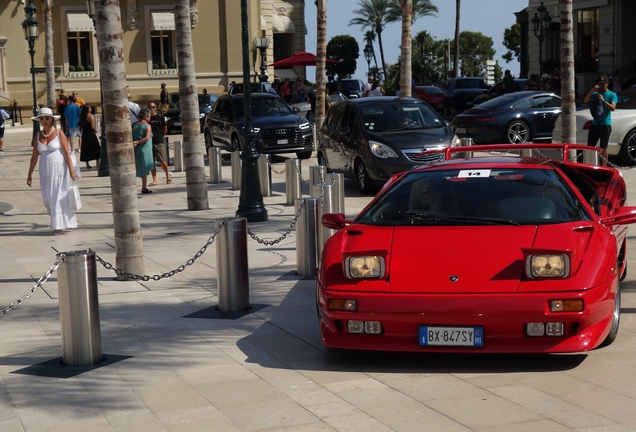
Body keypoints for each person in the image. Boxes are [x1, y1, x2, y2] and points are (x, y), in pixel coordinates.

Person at [26, 107, 78, 234]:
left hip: (60, 168)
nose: (44, 120)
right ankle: (58, 222)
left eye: (47, 118)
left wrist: (71, 170)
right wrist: (29, 174)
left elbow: (66, 152)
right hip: (45, 170)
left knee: (58, 196)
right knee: (48, 197)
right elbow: (34, 156)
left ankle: (57, 226)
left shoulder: (59, 132)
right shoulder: (37, 135)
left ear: (51, 119)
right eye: (41, 118)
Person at [583, 75, 617, 166]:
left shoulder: (612, 94)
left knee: (604, 146)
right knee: (590, 146)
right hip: (595, 124)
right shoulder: (595, 94)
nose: (601, 86)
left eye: (603, 84)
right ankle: (590, 164)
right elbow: (585, 101)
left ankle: (604, 166)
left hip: (605, 124)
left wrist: (604, 101)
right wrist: (592, 90)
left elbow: (613, 107)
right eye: (600, 84)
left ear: (607, 84)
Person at [147, 102, 171, 185]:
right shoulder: (147, 118)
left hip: (158, 141)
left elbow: (165, 129)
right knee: (151, 162)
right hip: (149, 142)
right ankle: (154, 180)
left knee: (162, 160)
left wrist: (161, 136)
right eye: (149, 107)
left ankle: (167, 175)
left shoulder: (160, 117)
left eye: (153, 107)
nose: (151, 109)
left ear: (155, 108)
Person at [132, 108, 154, 194]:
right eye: (149, 117)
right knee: (144, 168)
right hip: (145, 149)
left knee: (138, 166)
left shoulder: (134, 125)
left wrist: (135, 142)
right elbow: (147, 138)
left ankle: (136, 186)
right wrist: (138, 142)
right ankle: (144, 187)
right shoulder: (147, 126)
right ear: (146, 116)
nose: (149, 118)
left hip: (136, 148)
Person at [78, 104, 100, 169]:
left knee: (85, 148)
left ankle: (87, 164)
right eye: (90, 108)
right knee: (96, 146)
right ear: (88, 109)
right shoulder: (90, 116)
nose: (91, 109)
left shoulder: (81, 116)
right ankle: (97, 162)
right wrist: (95, 130)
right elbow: (92, 126)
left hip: (84, 133)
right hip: (90, 133)